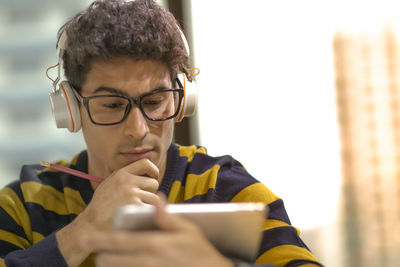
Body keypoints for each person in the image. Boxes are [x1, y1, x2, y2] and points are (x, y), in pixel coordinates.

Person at [0, 0, 322, 266]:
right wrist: (80, 233)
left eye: (154, 102)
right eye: (111, 105)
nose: (138, 130)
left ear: (183, 99)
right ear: (70, 108)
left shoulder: (223, 187)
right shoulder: (26, 204)